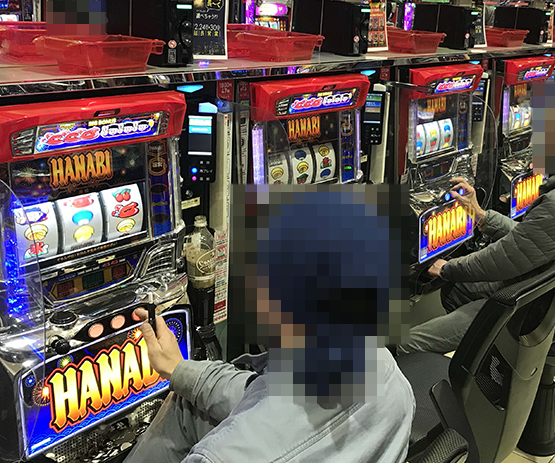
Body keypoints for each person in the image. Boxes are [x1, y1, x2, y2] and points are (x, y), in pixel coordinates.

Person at [125, 186, 415, 463]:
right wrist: (179, 369)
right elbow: (258, 390)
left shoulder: (219, 456)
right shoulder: (388, 372)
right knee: (187, 406)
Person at [398, 172, 555, 355]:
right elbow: (533, 239)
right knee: (456, 289)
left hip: (526, 306)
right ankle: (477, 356)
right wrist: (480, 215)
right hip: (541, 292)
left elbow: (502, 260)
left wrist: (447, 269)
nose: (536, 162)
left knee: (404, 344)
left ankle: (480, 355)